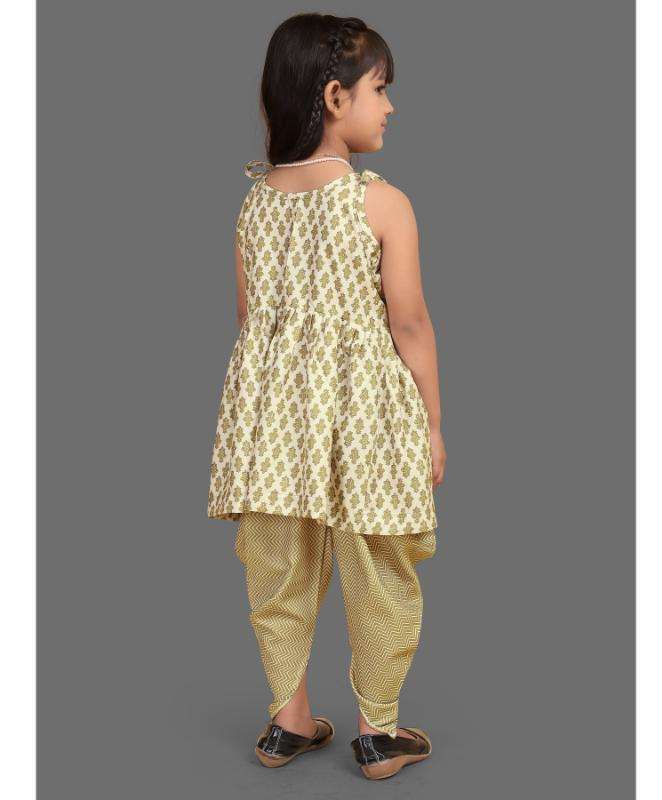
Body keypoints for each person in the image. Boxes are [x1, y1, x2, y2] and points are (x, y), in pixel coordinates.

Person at [207, 12, 446, 780]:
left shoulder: (253, 205)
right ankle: (379, 733)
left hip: (274, 417)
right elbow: (408, 324)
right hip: (364, 413)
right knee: (378, 564)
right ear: (336, 97)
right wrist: (432, 426)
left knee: (277, 563)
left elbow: (250, 322)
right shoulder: (382, 203)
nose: (391, 105)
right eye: (381, 89)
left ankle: (288, 721)